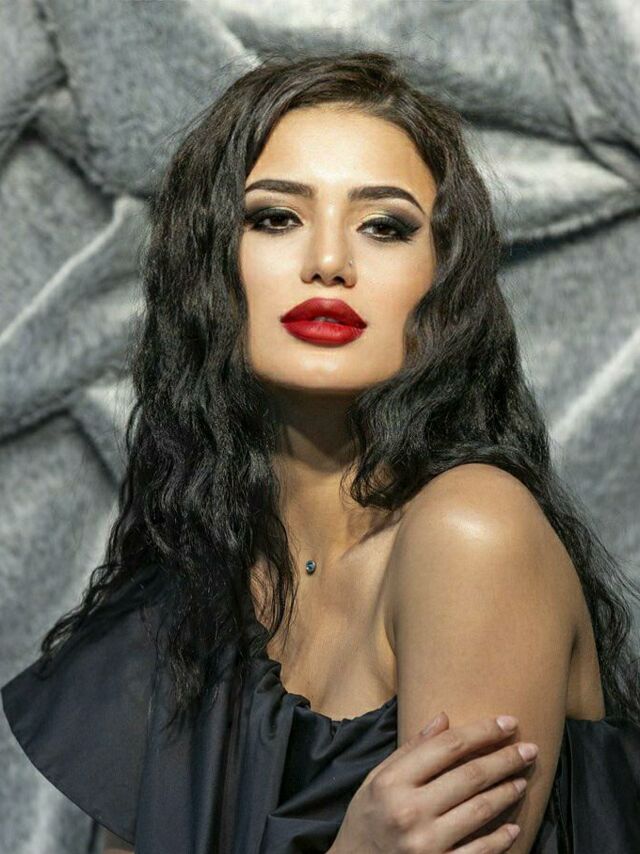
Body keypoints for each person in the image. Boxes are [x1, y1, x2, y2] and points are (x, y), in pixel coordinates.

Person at [3, 49, 640, 854]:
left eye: (385, 226)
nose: (330, 263)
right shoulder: (183, 581)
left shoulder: (470, 534)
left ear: (443, 279)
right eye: (275, 217)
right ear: (208, 260)